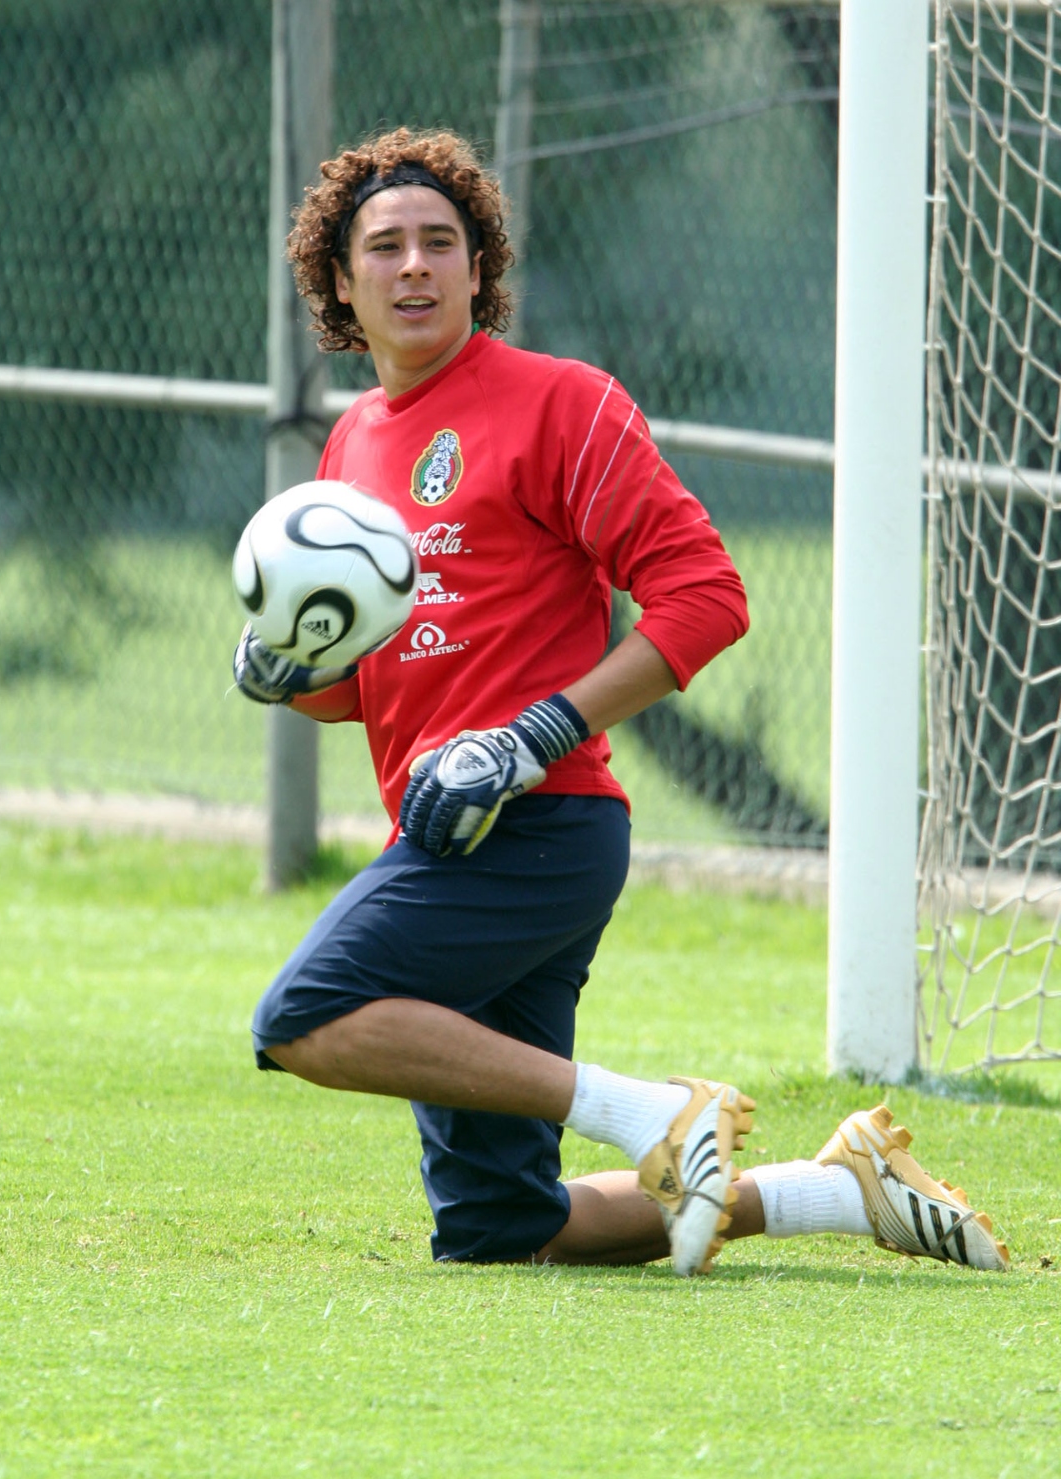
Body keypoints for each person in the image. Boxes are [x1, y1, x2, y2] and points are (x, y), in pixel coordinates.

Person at [233, 126, 1009, 1276]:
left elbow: (707, 597)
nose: (414, 265)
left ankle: (655, 1111)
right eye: (384, 247)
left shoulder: (561, 404)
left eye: (440, 242)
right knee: (502, 1228)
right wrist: (292, 674)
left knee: (304, 1015)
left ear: (480, 268)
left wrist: (531, 736)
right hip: (441, 829)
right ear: (339, 282)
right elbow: (371, 686)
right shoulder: (349, 447)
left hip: (540, 830)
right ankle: (836, 1186)